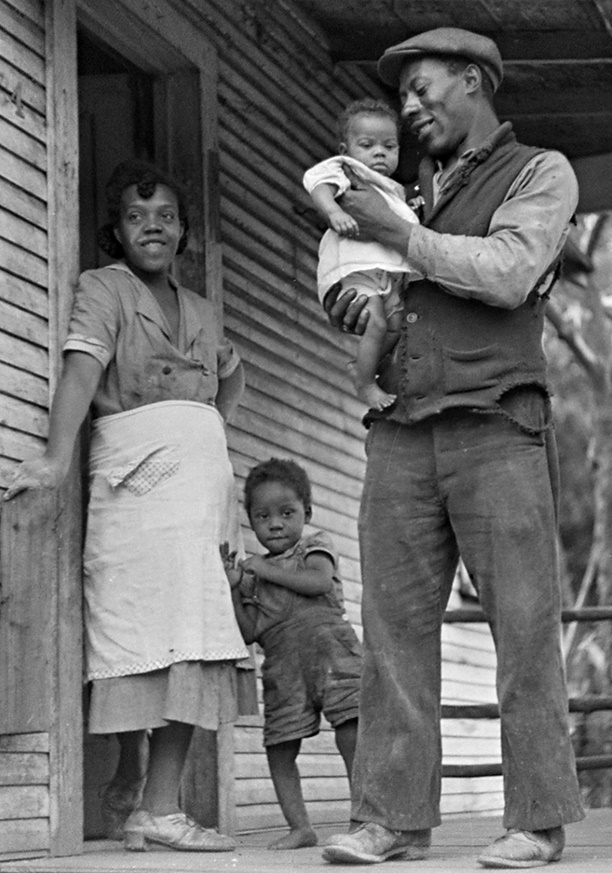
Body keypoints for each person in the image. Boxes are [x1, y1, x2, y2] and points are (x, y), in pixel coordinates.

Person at [320, 27, 585, 869]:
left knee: (524, 625)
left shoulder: (541, 171)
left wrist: (397, 238)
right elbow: (377, 273)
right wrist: (359, 306)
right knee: (391, 630)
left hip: (498, 424)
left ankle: (537, 820)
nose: (408, 107)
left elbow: (508, 271)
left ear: (473, 80)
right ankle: (392, 819)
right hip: (402, 425)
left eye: (423, 89)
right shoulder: (406, 187)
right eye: (400, 97)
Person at [3, 160, 251, 852]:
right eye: (138, 217)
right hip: (136, 486)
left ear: (184, 231)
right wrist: (54, 458)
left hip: (198, 493)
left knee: (193, 638)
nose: (153, 227)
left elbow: (226, 382)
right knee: (137, 635)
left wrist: (217, 414)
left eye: (166, 216)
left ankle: (158, 803)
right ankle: (136, 788)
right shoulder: (104, 288)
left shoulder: (200, 309)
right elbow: (82, 368)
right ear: (116, 230)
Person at [223, 458, 361, 850]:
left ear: (307, 513)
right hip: (283, 667)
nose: (276, 524)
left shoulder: (315, 546)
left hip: (334, 654)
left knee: (352, 732)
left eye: (287, 513)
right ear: (251, 521)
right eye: (263, 516)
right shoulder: (252, 574)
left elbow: (318, 583)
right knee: (279, 746)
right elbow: (250, 631)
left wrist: (262, 571)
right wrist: (236, 587)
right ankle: (300, 826)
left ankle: (365, 818)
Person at [302, 98, 420, 412]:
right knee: (378, 324)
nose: (379, 152)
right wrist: (331, 212)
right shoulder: (348, 170)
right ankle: (366, 384)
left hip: (384, 273)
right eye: (367, 144)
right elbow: (318, 184)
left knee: (395, 325)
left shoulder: (392, 189)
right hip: (356, 267)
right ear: (346, 149)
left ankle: (362, 367)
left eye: (389, 146)